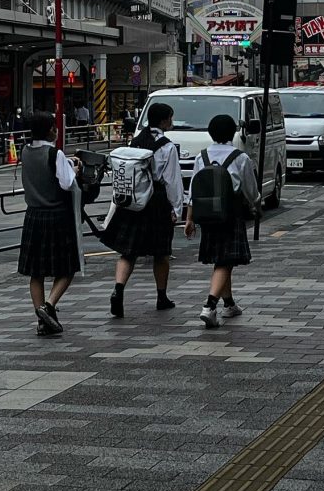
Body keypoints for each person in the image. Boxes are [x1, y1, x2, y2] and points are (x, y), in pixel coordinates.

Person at [102, 102, 184, 318]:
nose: (172, 122)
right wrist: (177, 209)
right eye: (171, 118)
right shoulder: (167, 147)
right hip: (156, 202)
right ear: (165, 120)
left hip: (133, 202)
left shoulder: (136, 141)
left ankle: (118, 290)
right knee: (161, 253)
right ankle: (161, 296)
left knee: (128, 252)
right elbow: (172, 181)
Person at [185, 114, 259, 327]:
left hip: (208, 215)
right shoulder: (240, 157)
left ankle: (229, 304)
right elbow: (250, 189)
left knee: (222, 259)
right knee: (225, 261)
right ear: (232, 133)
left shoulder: (202, 157)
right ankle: (209, 306)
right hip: (230, 214)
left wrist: (189, 219)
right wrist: (256, 206)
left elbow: (193, 191)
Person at [18, 111, 82, 336]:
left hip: (33, 215)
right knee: (67, 267)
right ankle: (48, 306)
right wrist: (73, 170)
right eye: (54, 127)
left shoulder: (24, 151)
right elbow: (66, 184)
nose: (56, 130)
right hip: (56, 215)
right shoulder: (54, 154)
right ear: (50, 130)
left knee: (36, 272)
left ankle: (42, 320)